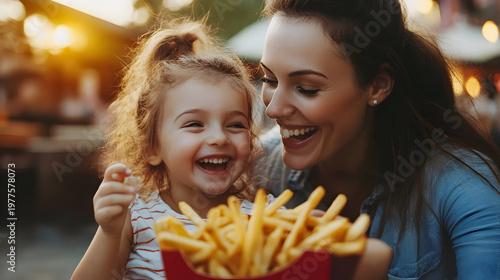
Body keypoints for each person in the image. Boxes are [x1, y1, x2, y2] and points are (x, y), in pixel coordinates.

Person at [256, 0, 500, 279]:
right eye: (269, 80)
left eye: (306, 88)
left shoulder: (462, 184)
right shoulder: (260, 166)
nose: (273, 109)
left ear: (378, 86)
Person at [71, 19, 264, 280]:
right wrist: (109, 232)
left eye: (236, 124)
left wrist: (312, 237)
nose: (219, 137)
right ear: (152, 147)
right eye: (195, 124)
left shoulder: (267, 219)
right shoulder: (136, 216)